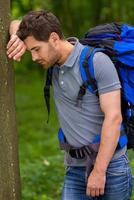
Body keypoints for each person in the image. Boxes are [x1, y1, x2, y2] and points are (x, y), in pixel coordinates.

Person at [6, 10, 132, 200]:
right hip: (75, 168)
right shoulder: (53, 63)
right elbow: (14, 22)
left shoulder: (96, 62)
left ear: (54, 38)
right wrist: (17, 33)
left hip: (110, 168)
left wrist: (98, 172)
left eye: (36, 49)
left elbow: (113, 119)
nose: (33, 58)